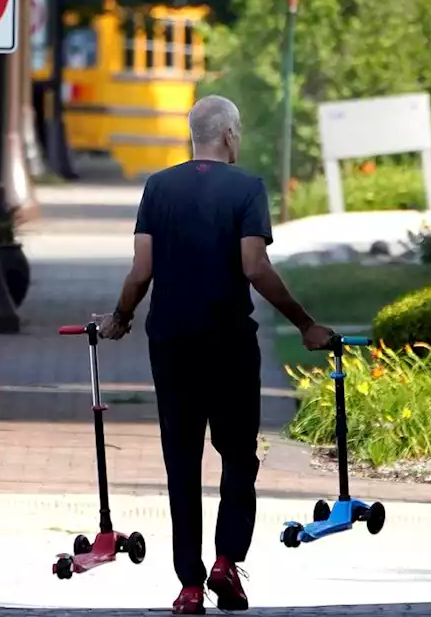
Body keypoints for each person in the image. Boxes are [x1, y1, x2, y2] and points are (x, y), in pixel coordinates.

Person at [98, 95, 334, 615]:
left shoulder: (158, 187)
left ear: (193, 135)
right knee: (238, 456)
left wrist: (120, 316)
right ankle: (227, 562)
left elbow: (142, 270)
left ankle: (188, 586)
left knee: (181, 461)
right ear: (229, 134)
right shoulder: (246, 187)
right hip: (228, 341)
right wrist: (304, 323)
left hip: (172, 342)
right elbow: (254, 266)